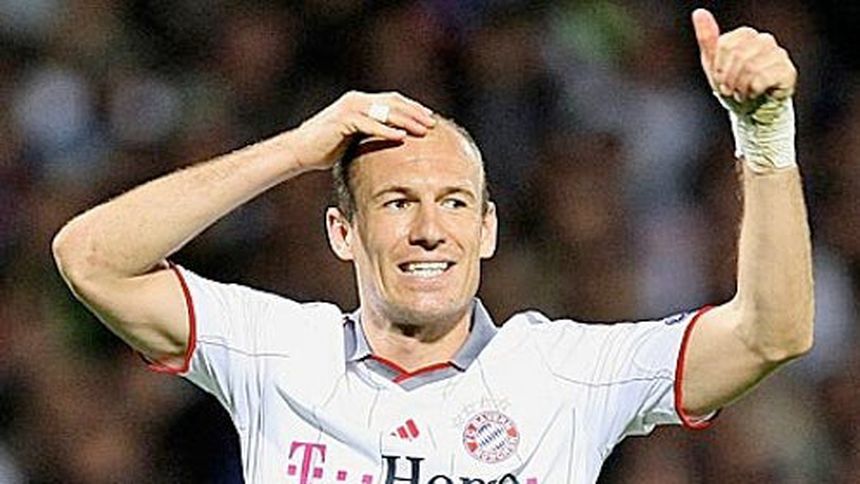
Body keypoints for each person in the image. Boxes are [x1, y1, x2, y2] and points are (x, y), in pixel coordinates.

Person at [52, 9, 812, 484]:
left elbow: (770, 333)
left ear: (487, 229)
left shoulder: (567, 372)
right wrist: (295, 150)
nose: (428, 228)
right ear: (342, 232)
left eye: (454, 203)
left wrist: (765, 135)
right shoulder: (275, 351)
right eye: (397, 202)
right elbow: (90, 258)